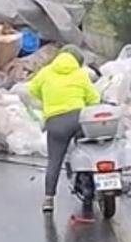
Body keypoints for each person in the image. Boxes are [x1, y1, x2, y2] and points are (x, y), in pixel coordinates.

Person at [27, 45, 101, 218]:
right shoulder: (80, 74)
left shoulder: (46, 72)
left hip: (55, 122)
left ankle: (48, 200)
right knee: (87, 149)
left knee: (54, 160)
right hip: (78, 119)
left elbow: (32, 89)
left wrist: (47, 98)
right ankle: (87, 181)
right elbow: (94, 98)